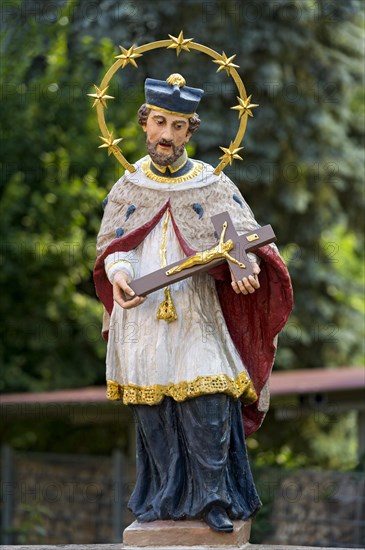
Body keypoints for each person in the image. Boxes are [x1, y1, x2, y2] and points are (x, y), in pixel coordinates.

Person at [94, 74, 293, 532]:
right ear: (144, 124)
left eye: (178, 126)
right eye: (160, 123)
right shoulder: (128, 187)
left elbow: (245, 240)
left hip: (198, 313)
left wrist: (247, 271)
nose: (167, 135)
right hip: (141, 316)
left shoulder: (212, 184)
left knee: (210, 399)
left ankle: (214, 499)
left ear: (190, 131)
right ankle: (163, 501)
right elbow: (112, 246)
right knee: (153, 410)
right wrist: (119, 273)